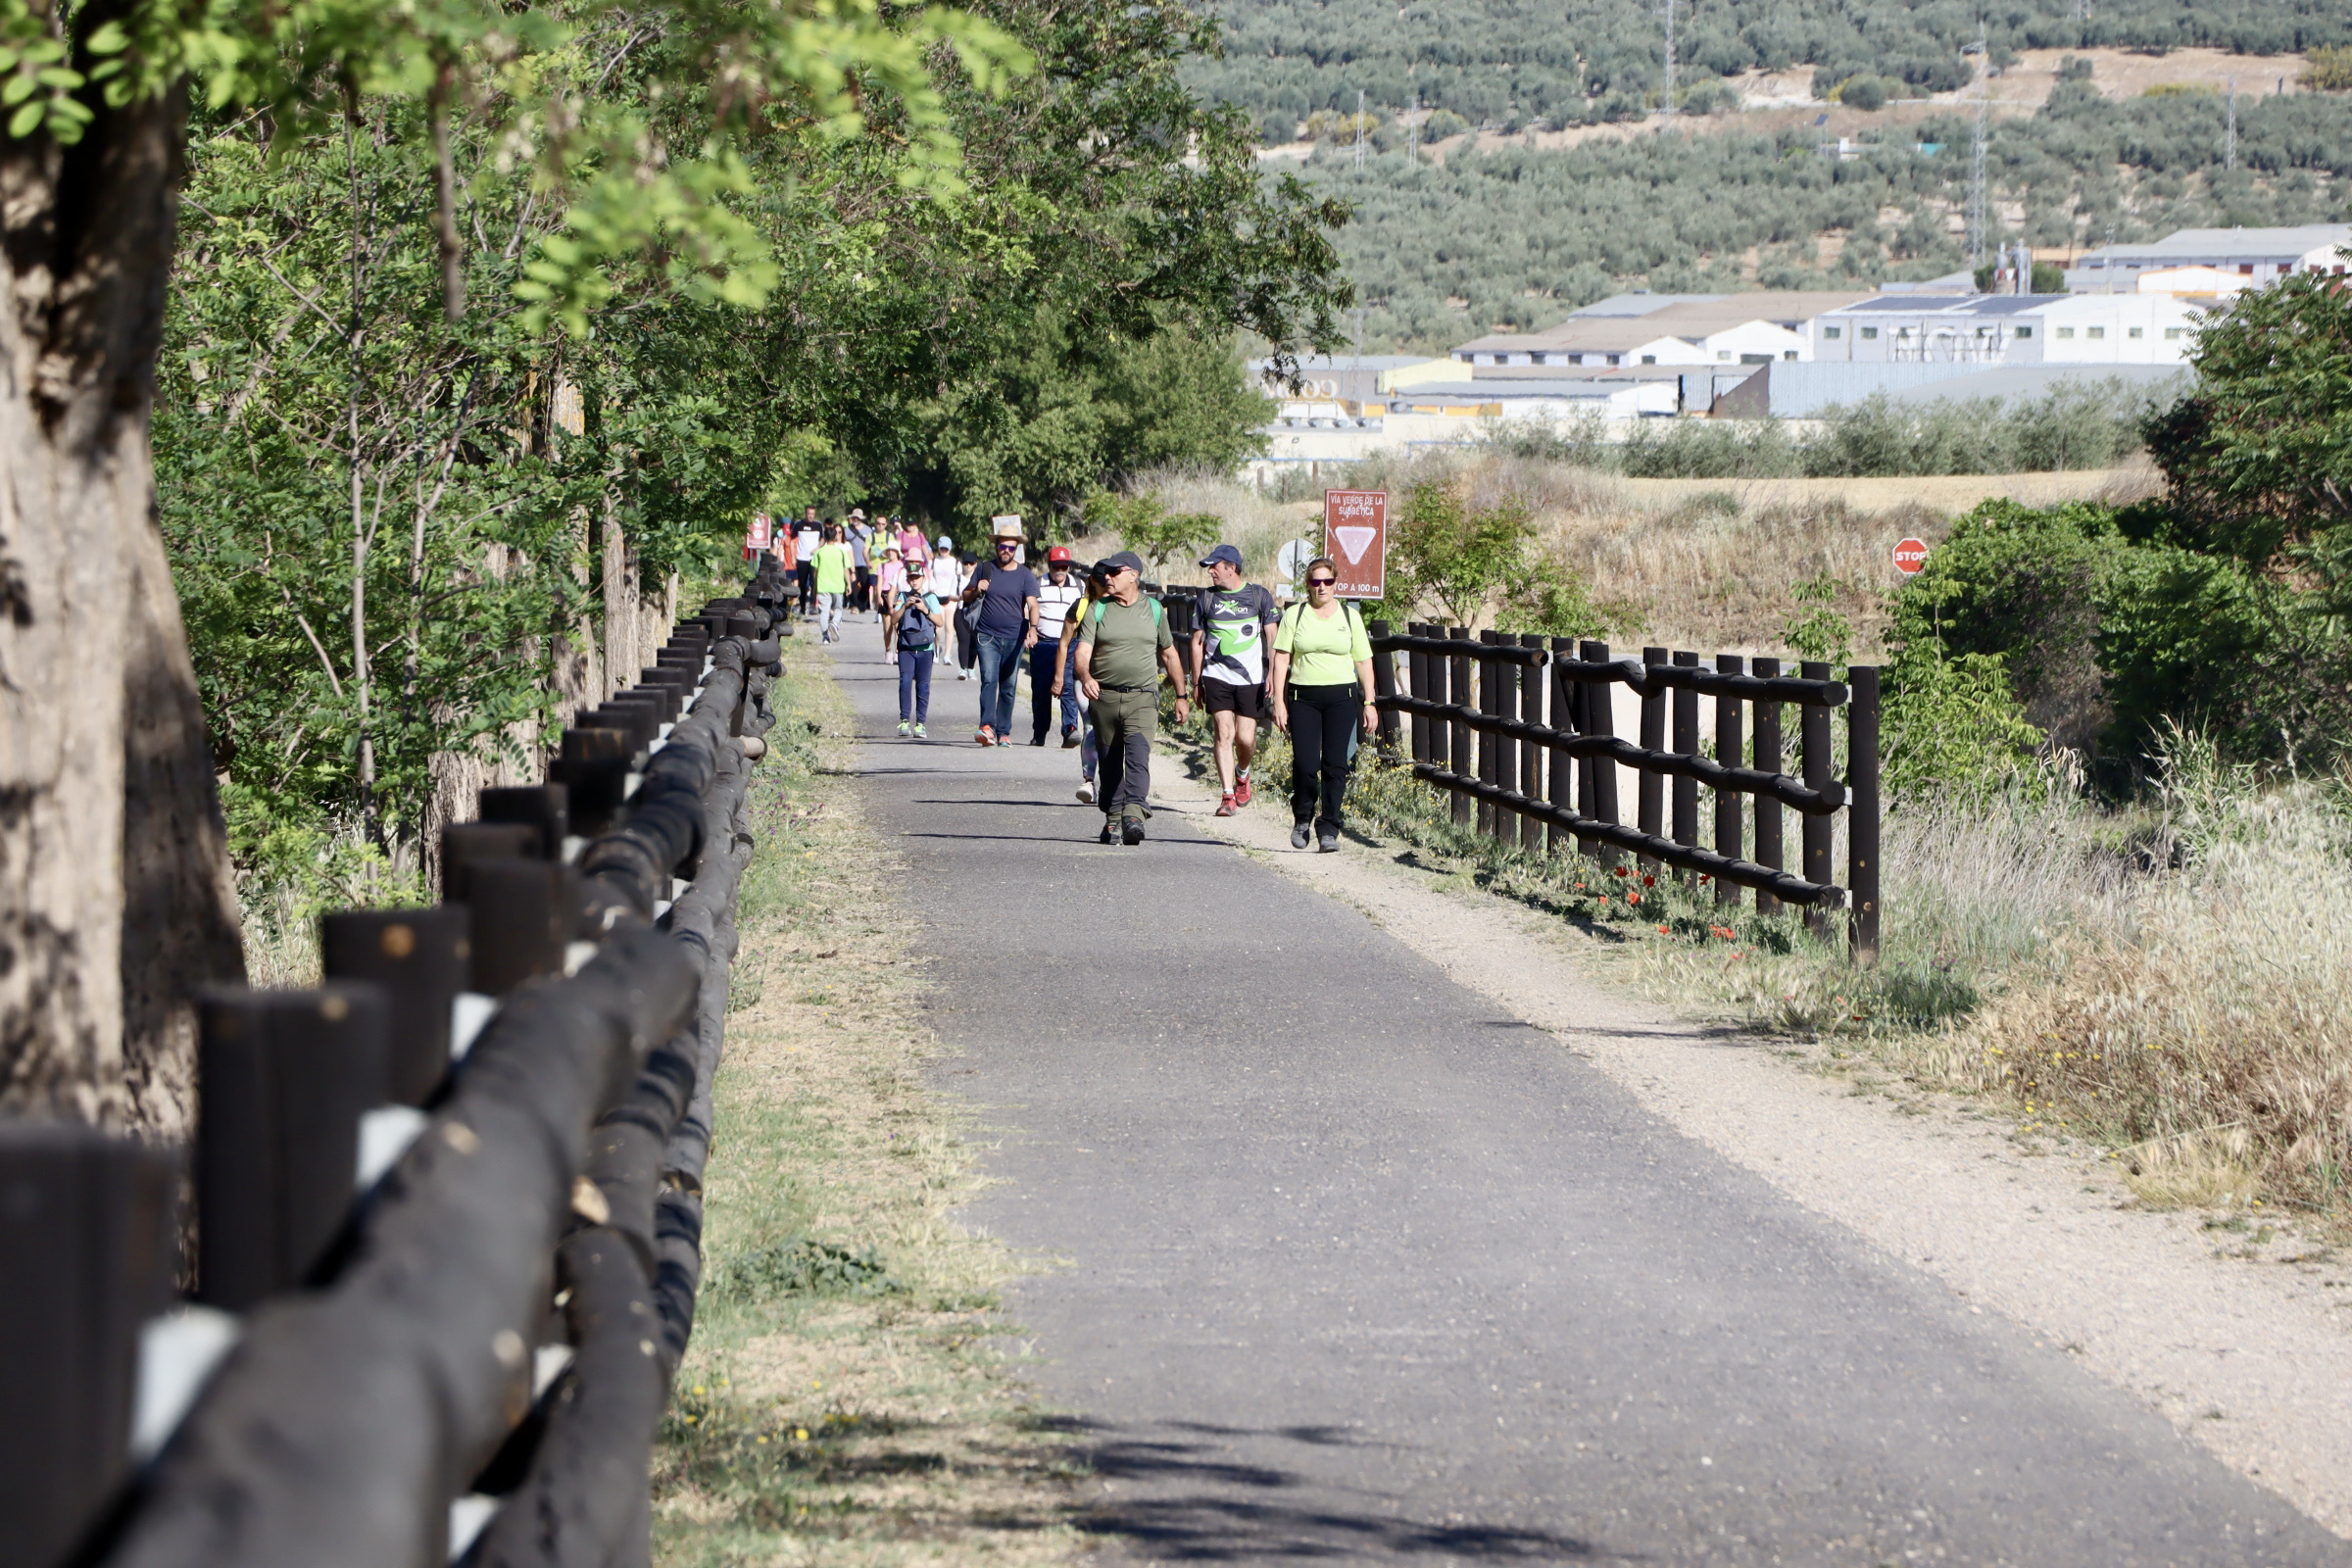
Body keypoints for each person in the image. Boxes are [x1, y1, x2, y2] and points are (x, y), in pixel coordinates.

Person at [1075, 551, 1189, 845]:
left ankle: (1134, 812)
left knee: (1138, 756)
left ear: (1133, 575)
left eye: (1114, 573)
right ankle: (1113, 817)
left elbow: (1168, 652)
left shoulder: (1153, 610)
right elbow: (1083, 651)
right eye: (1106, 574)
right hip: (1105, 697)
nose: (1107, 578)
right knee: (1110, 760)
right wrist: (1086, 677)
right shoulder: (1097, 609)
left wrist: (1181, 694)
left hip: (1142, 697)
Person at [1269, 557, 1378, 853]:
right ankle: (1302, 816)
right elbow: (1281, 658)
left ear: (1335, 583)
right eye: (1315, 581)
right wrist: (1278, 701)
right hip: (1303, 697)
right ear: (1308, 584)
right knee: (1305, 763)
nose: (1321, 587)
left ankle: (1329, 826)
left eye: (1327, 581)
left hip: (1341, 697)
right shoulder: (1296, 614)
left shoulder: (1348, 616)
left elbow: (1364, 660)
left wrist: (1369, 701)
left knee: (1335, 764)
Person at [1189, 543, 1281, 817]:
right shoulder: (1206, 599)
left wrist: (1273, 674)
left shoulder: (1258, 596)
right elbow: (1196, 642)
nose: (1210, 573)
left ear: (1231, 568)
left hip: (1251, 677)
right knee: (1223, 732)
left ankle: (1243, 773)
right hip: (1216, 674)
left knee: (1244, 738)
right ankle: (1227, 795)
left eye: (1214, 567)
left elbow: (1273, 639)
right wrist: (1196, 682)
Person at [962, 520, 1040, 747]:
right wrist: (978, 589)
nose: (1006, 551)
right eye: (1002, 546)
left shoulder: (1025, 575)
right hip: (987, 636)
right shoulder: (984, 568)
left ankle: (1003, 731)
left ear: (1017, 549)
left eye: (1011, 548)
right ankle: (987, 726)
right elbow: (965, 595)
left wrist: (1033, 630)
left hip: (1015, 637)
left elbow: (1033, 605)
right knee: (989, 679)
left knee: (1008, 685)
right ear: (996, 546)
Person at [1053, 561, 1111, 804]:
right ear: (1093, 583)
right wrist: (1058, 677)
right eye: (1104, 583)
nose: (1109, 587)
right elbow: (1064, 643)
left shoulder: (1123, 606)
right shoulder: (1081, 606)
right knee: (1090, 725)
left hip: (1112, 676)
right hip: (1082, 675)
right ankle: (1088, 781)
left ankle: (1113, 781)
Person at [1031, 547, 1084, 747]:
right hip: (1044, 643)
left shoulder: (1079, 585)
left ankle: (1070, 729)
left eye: (1064, 566)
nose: (1060, 570)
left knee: (1068, 686)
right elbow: (1028, 609)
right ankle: (1040, 731)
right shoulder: (1038, 584)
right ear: (1049, 565)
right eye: (1056, 566)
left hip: (1070, 643)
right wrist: (1031, 631)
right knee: (1041, 689)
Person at [892, 580, 951, 737]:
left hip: (926, 649)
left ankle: (920, 724)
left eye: (917, 577)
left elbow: (939, 622)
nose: (914, 581)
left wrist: (925, 610)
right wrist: (904, 606)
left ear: (923, 579)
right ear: (908, 580)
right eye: (911, 578)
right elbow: (893, 620)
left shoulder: (930, 597)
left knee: (923, 686)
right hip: (906, 648)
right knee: (905, 681)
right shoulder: (903, 596)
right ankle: (904, 721)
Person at [811, 523, 854, 643]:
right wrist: (849, 584)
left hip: (823, 585)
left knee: (824, 611)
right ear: (835, 536)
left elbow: (816, 570)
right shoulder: (841, 552)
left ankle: (825, 637)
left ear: (824, 536)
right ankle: (834, 623)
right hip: (838, 585)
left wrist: (815, 585)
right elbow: (846, 569)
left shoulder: (819, 552)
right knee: (838, 609)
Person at [876, 545, 907, 662]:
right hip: (885, 594)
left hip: (898, 595)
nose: (890, 553)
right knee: (887, 627)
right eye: (888, 551)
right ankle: (888, 650)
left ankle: (897, 652)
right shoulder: (883, 566)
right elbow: (879, 582)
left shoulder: (902, 567)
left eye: (892, 550)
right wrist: (878, 596)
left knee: (898, 627)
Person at [793, 507, 821, 618]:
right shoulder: (798, 525)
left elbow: (823, 539)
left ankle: (813, 605)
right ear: (805, 513)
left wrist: (818, 547)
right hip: (801, 558)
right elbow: (792, 540)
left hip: (814, 558)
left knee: (814, 582)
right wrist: (793, 556)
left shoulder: (818, 525)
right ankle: (803, 607)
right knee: (802, 583)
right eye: (809, 513)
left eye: (813, 514)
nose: (810, 516)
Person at [847, 510, 874, 614]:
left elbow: (873, 545)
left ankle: (862, 604)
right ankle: (854, 605)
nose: (855, 519)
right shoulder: (847, 530)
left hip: (865, 562)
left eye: (857, 518)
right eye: (854, 517)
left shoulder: (869, 530)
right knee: (852, 584)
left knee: (865, 584)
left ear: (861, 518)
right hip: (851, 563)